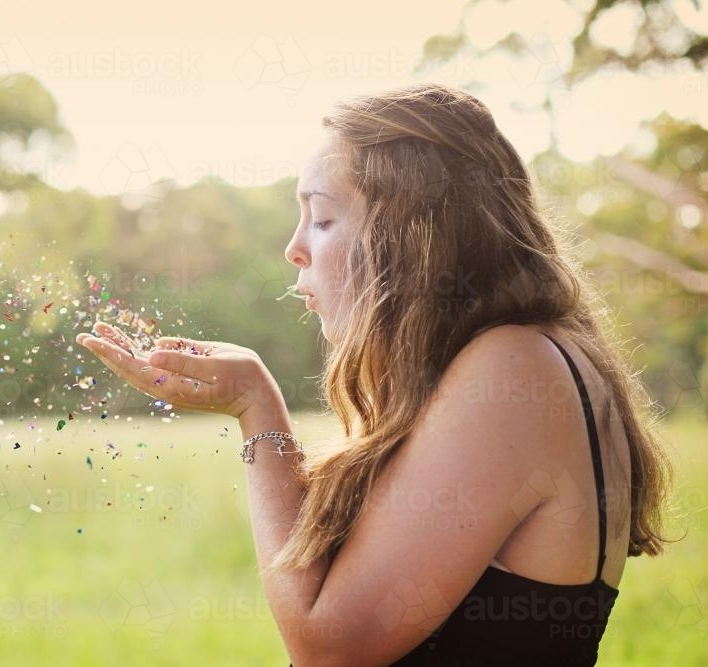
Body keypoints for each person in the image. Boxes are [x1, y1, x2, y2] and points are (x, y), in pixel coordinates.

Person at [75, 83, 673, 666]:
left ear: (415, 234)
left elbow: (329, 646)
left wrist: (256, 406)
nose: (294, 248)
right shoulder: (511, 361)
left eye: (323, 219)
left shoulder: (515, 371)